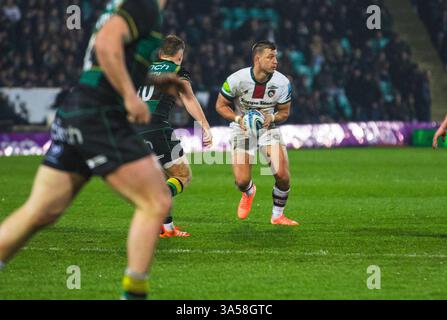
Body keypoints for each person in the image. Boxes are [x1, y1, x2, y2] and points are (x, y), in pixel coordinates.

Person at [0, 0, 186, 300]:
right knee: (155, 201)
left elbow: (112, 55)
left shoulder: (125, 6)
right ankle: (134, 295)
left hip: (78, 108)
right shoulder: (144, 5)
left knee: (41, 211)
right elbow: (106, 43)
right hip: (100, 114)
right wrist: (129, 96)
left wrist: (157, 81)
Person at [135, 35, 213, 238]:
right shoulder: (177, 71)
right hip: (157, 128)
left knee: (162, 178)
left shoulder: (143, 68)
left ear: (160, 53)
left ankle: (167, 229)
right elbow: (188, 97)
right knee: (182, 175)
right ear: (180, 55)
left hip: (132, 128)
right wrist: (204, 125)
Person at [215, 40, 299, 226]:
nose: (275, 60)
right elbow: (220, 105)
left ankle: (277, 215)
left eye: (276, 56)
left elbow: (284, 112)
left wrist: (273, 118)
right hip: (242, 128)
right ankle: (249, 191)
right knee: (242, 180)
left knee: (283, 176)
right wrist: (238, 119)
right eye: (270, 56)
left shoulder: (282, 82)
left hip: (268, 128)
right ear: (257, 58)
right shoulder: (236, 79)